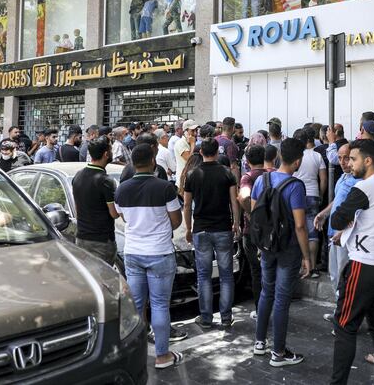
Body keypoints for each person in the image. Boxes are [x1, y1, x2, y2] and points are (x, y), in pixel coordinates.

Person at [329, 139, 374, 385]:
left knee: (345, 326)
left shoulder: (365, 187)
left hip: (365, 264)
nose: (349, 163)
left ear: (368, 161)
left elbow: (337, 219)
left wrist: (345, 223)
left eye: (353, 159)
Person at [115, 143, 184, 370]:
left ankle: (134, 355)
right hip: (159, 252)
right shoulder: (165, 188)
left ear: (133, 163)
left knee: (136, 306)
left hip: (133, 252)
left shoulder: (121, 189)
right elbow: (176, 220)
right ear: (154, 161)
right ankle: (162, 356)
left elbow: (124, 218)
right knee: (159, 305)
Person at [250, 138, 312, 367]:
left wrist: (259, 244)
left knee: (267, 291)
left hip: (266, 246)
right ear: (297, 161)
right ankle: (278, 353)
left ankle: (259, 343)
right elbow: (299, 225)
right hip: (288, 249)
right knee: (282, 298)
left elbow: (255, 213)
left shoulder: (262, 179)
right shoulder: (295, 186)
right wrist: (307, 256)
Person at [183, 138, 241, 329]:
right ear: (217, 152)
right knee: (226, 275)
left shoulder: (193, 175)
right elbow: (234, 201)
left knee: (204, 276)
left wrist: (189, 228)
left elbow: (186, 205)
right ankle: (226, 317)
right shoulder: (227, 173)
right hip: (223, 227)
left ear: (201, 153)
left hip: (201, 229)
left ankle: (206, 317)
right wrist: (236, 224)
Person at [313, 143, 359, 310]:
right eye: (339, 158)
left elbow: (358, 211)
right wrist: (323, 214)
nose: (342, 162)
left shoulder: (359, 180)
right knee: (334, 275)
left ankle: (343, 315)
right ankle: (338, 311)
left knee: (343, 276)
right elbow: (337, 200)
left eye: (346, 158)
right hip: (334, 234)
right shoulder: (343, 177)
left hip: (345, 236)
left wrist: (344, 231)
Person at [72, 136, 118, 265]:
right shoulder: (106, 181)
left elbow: (77, 209)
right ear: (105, 154)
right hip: (102, 241)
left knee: (88, 280)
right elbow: (114, 213)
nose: (112, 152)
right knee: (104, 281)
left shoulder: (78, 175)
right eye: (110, 149)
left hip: (81, 238)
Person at [238, 144, 269, 318]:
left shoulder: (247, 178)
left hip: (252, 231)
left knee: (256, 272)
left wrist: (250, 212)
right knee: (269, 271)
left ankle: (260, 310)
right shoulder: (271, 176)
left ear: (247, 161)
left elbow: (243, 197)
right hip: (271, 230)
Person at [292, 128, 327, 278]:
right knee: (313, 233)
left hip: (295, 196)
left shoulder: (292, 156)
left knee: (298, 229)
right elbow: (324, 179)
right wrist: (320, 195)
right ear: (308, 140)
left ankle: (301, 265)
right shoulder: (317, 156)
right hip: (313, 195)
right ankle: (312, 267)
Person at [175, 120, 199, 187]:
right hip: (183, 182)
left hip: (191, 179)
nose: (195, 133)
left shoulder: (190, 143)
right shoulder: (180, 143)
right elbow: (190, 160)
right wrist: (193, 143)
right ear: (185, 131)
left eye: (196, 130)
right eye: (192, 131)